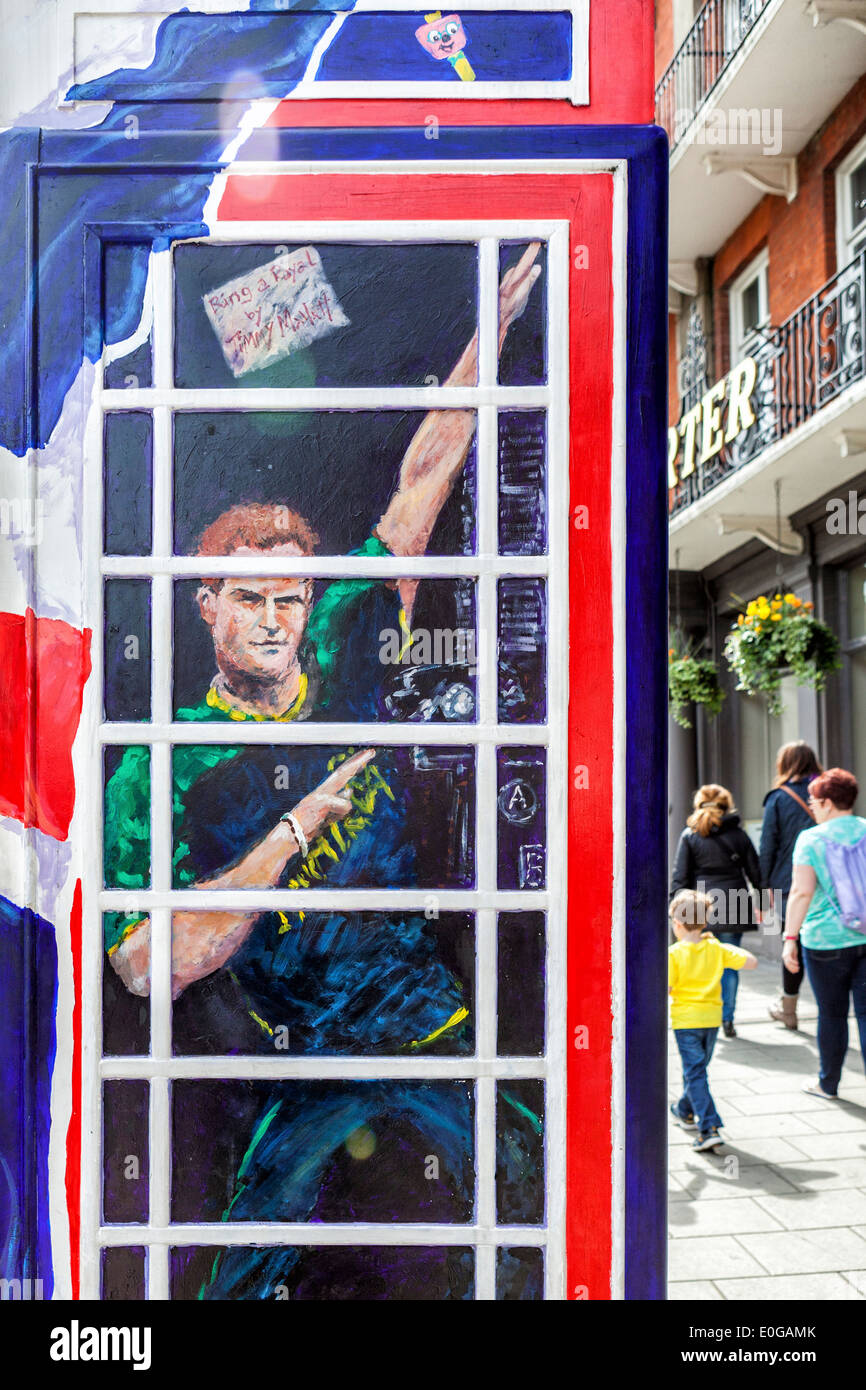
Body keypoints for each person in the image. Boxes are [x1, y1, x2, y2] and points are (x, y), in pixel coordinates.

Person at [104, 245, 543, 1300]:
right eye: (247, 600)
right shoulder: (169, 761)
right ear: (205, 605)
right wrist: (288, 835)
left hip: (432, 1031)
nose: (272, 620)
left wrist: (491, 331)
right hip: (308, 1063)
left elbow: (421, 479)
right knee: (240, 1279)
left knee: (529, 1223)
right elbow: (143, 965)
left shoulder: (343, 646)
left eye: (289, 599)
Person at [783, 767, 866, 1099]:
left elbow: (801, 893)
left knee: (832, 1014)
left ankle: (827, 1083)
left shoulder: (811, 839)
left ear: (829, 802)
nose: (811, 807)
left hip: (824, 941)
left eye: (814, 801)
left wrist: (790, 938)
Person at [671, 784, 762, 1038]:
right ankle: (727, 1019)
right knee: (730, 964)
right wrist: (764, 905)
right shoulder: (739, 835)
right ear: (726, 804)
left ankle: (704, 1013)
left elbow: (680, 877)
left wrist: (676, 909)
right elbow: (755, 872)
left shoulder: (690, 835)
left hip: (700, 906)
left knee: (699, 961)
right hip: (734, 901)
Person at [668, 890, 757, 1151]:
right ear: (704, 923)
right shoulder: (716, 948)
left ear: (678, 924)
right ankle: (684, 1110)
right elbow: (751, 963)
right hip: (711, 1020)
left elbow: (667, 988)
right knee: (697, 1070)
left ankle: (709, 1127)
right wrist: (724, 949)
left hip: (686, 1022)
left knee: (695, 1072)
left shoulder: (674, 954)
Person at [759, 740, 822, 1030]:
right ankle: (829, 1003)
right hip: (827, 883)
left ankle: (790, 1008)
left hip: (789, 884)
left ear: (784, 764)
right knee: (821, 942)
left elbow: (767, 847)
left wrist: (763, 891)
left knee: (792, 941)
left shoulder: (778, 798)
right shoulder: (824, 793)